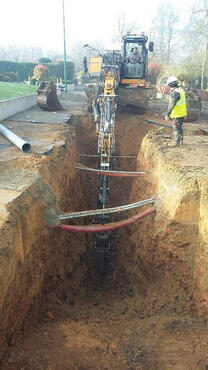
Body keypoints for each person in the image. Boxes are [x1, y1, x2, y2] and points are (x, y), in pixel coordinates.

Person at [165, 76, 187, 147]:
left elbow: (171, 104)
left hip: (177, 114)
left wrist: (167, 114)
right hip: (182, 113)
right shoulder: (181, 90)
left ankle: (177, 143)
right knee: (179, 127)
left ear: (170, 84)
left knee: (176, 128)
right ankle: (181, 141)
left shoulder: (175, 92)